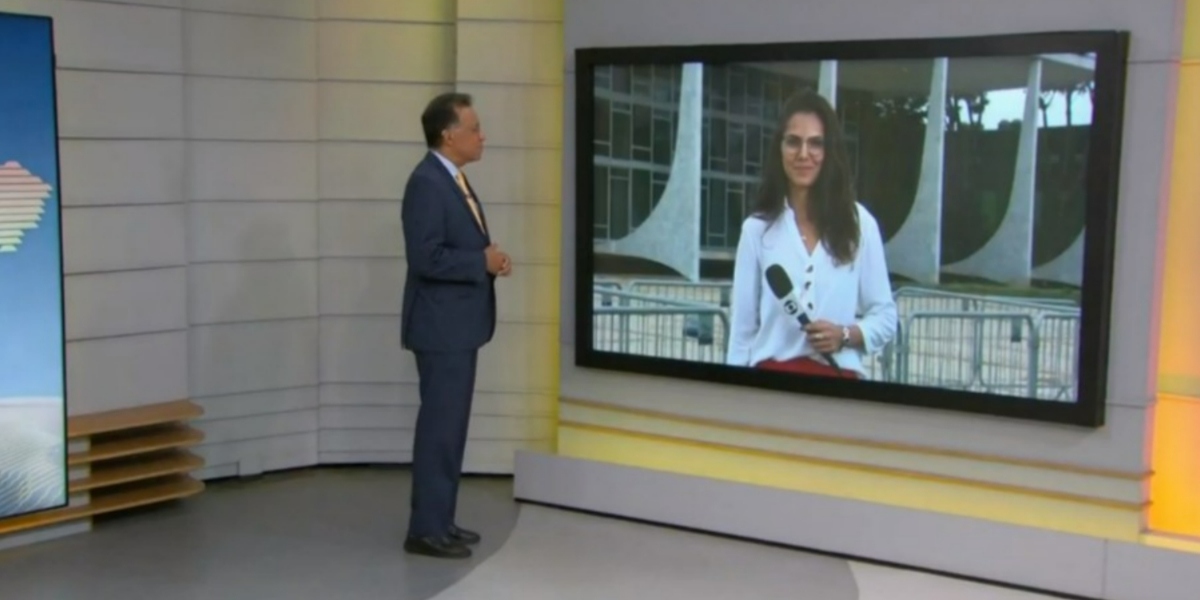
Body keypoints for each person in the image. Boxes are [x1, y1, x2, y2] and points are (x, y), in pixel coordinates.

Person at [400, 92, 511, 559]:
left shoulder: (452, 179)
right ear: (449, 135)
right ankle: (426, 530)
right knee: (440, 431)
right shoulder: (427, 183)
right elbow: (425, 257)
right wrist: (478, 262)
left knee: (450, 430)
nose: (482, 136)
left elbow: (453, 248)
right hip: (441, 329)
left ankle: (441, 521)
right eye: (474, 128)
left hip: (457, 327)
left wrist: (488, 262)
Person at [725, 89, 897, 379]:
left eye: (816, 143)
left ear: (830, 151)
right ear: (779, 149)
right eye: (793, 142)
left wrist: (845, 334)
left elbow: (885, 316)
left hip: (837, 384)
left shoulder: (860, 224)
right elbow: (742, 333)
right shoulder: (756, 229)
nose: (804, 154)